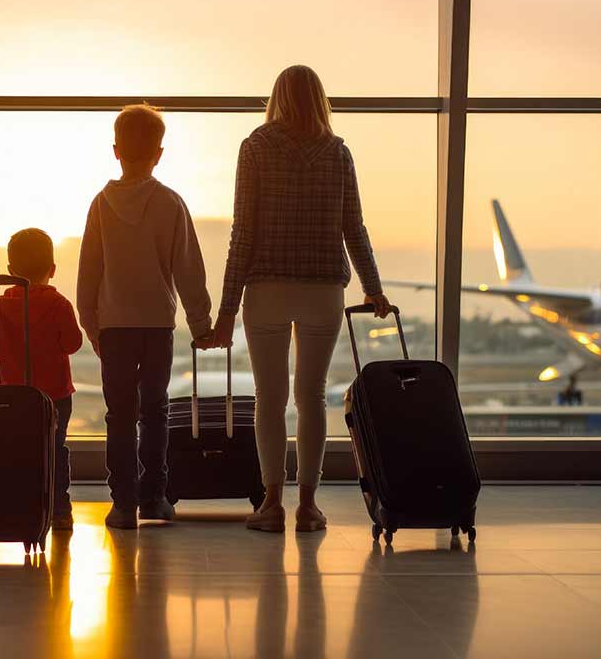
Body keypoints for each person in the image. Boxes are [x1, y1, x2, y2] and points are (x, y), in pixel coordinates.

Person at [207, 65, 389, 533]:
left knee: (269, 399)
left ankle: (271, 505)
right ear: (320, 99)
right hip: (322, 290)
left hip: (265, 290)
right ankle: (308, 506)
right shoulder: (338, 153)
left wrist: (226, 310)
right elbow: (354, 228)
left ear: (277, 98)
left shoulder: (255, 148)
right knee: (311, 396)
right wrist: (373, 287)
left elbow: (242, 233)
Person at [77, 104, 213, 530]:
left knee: (119, 413)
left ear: (116, 150)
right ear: (159, 152)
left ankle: (123, 504)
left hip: (114, 325)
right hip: (157, 323)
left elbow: (89, 269)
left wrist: (90, 323)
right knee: (155, 411)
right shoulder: (171, 203)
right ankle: (155, 497)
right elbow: (188, 269)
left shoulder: (100, 205)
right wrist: (201, 322)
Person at [0, 228, 83, 530]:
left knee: (20, 448)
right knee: (55, 449)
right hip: (56, 395)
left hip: (13, 398)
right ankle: (59, 509)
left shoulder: (1, 306)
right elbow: (73, 344)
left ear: (11, 271)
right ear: (52, 270)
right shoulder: (60, 304)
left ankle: (20, 506)